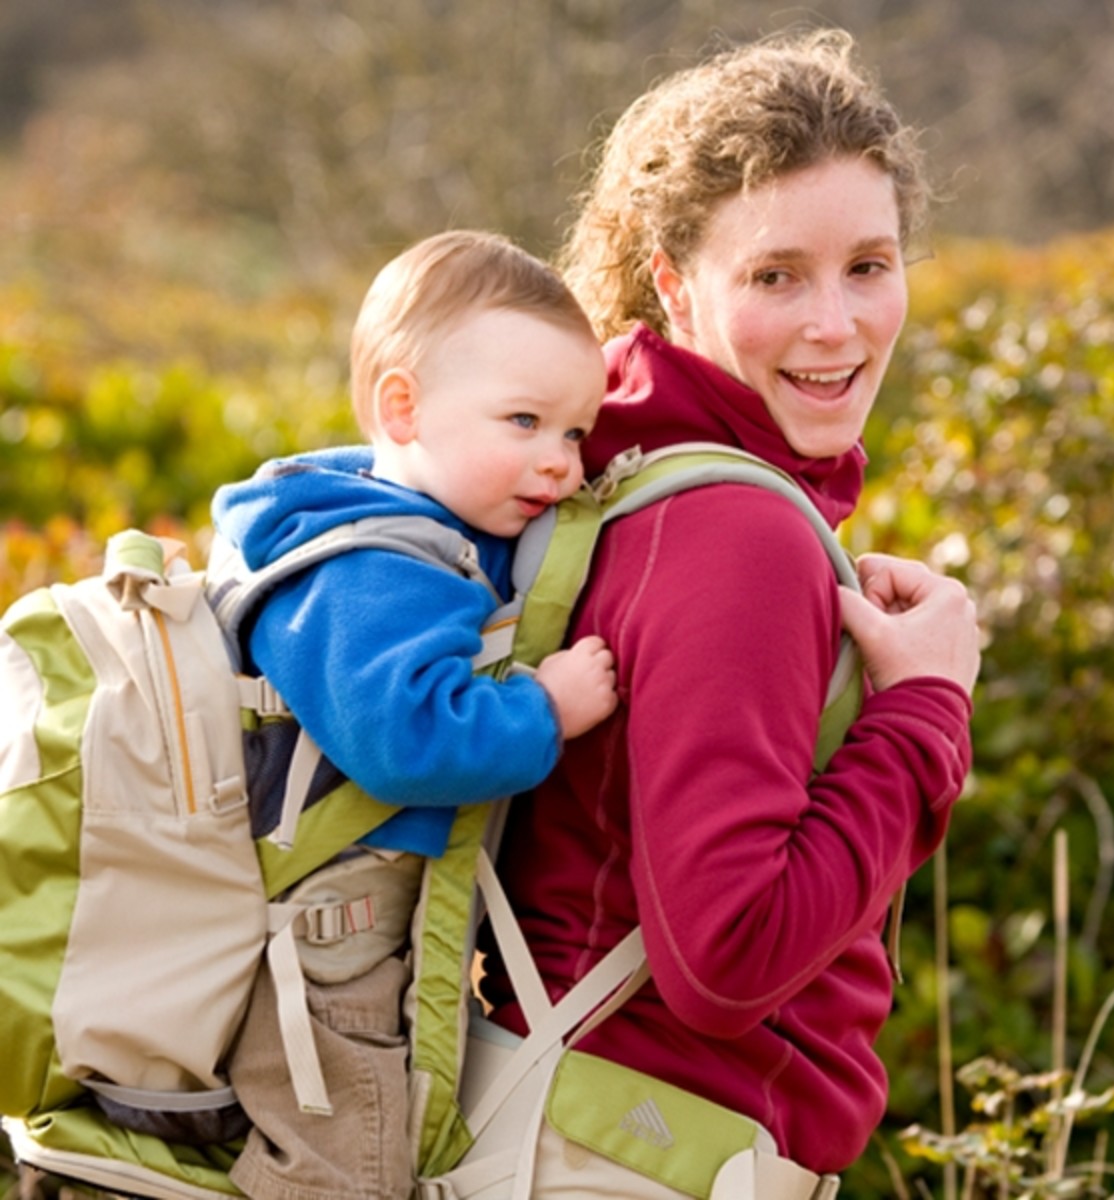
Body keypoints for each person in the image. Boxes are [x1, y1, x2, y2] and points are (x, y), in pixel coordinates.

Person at [478, 28, 981, 1197]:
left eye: (870, 264)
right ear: (670, 278)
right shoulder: (733, 531)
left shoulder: (610, 461)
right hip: (633, 1153)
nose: (836, 326)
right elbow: (727, 956)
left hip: (563, 1122)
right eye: (774, 276)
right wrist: (922, 714)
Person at [210, 229, 617, 1200]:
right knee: (347, 1163)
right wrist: (545, 710)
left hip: (319, 917)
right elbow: (406, 742)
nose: (559, 462)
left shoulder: (385, 531)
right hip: (326, 943)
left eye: (573, 432)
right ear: (403, 407)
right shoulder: (373, 567)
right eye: (523, 421)